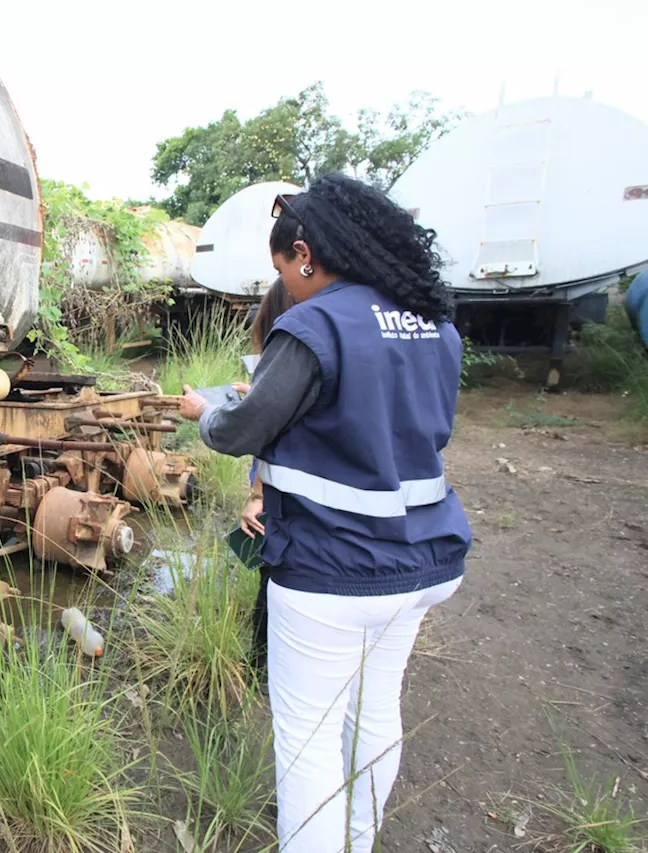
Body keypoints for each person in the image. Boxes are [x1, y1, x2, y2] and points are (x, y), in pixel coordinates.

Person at [178, 173, 472, 853]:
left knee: (308, 739)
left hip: (332, 571)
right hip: (420, 560)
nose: (287, 285)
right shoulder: (434, 322)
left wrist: (207, 411)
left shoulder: (315, 322)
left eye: (285, 268)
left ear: (305, 254)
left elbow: (238, 430)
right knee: (374, 715)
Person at [236, 277, 296, 685]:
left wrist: (257, 494)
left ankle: (263, 672)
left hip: (291, 517)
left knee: (272, 579)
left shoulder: (295, 350)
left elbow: (268, 433)